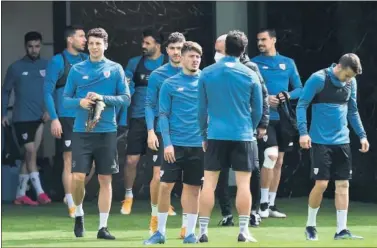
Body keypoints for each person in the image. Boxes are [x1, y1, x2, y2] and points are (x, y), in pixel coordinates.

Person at [63, 27, 131, 240]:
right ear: (87, 45)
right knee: (77, 177)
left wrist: (103, 98)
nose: (94, 47)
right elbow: (65, 100)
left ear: (105, 45)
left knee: (105, 179)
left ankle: (103, 227)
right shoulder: (76, 69)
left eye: (98, 43)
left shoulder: (116, 68)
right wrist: (80, 102)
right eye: (91, 43)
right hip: (82, 131)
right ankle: (79, 213)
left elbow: (126, 98)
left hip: (107, 131)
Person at [197, 30, 263, 243]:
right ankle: (243, 231)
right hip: (243, 135)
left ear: (224, 48)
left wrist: (204, 134)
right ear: (243, 50)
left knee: (209, 184)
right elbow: (258, 110)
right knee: (244, 184)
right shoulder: (250, 74)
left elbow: (201, 109)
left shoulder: (206, 73)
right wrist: (250, 128)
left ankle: (203, 232)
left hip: (216, 135)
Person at [296, 53, 369, 241]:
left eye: (351, 77)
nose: (349, 80)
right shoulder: (318, 79)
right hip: (320, 141)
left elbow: (352, 110)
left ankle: (341, 230)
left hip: (342, 141)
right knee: (321, 184)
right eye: (347, 75)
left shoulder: (350, 83)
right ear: (339, 66)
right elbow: (302, 104)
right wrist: (303, 132)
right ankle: (310, 226)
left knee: (343, 184)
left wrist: (362, 135)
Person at [143, 41, 204, 245]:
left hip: (198, 145)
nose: (195, 60)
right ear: (182, 58)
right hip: (174, 145)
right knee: (165, 186)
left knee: (193, 189)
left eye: (198, 57)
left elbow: (210, 113)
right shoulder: (169, 83)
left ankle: (189, 233)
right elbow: (163, 115)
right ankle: (159, 232)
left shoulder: (205, 81)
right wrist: (167, 143)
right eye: (191, 56)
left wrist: (207, 139)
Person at [214, 34, 269, 227]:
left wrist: (260, 124)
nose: (217, 54)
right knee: (219, 172)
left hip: (245, 130)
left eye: (220, 50)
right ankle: (226, 213)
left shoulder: (251, 68)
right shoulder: (213, 70)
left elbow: (262, 97)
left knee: (252, 171)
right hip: (219, 131)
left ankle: (253, 211)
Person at [121, 29, 175, 216]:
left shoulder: (168, 64)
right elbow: (126, 84)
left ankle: (164, 201)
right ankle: (128, 196)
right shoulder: (135, 63)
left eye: (147, 43)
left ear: (158, 46)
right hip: (138, 117)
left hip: (162, 120)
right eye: (143, 43)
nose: (143, 46)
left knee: (159, 165)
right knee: (131, 160)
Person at [251, 28, 302, 218]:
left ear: (273, 40)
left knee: (279, 161)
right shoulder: (254, 63)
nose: (260, 43)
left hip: (284, 119)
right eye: (258, 40)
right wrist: (266, 99)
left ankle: (271, 205)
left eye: (263, 39)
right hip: (264, 119)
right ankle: (262, 203)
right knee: (270, 157)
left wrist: (286, 95)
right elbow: (250, 90)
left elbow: (299, 88)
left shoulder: (288, 63)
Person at [144, 32, 187, 237]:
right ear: (166, 50)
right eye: (172, 48)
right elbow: (149, 105)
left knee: (190, 181)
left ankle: (187, 224)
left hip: (190, 134)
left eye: (180, 48)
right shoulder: (158, 74)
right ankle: (155, 217)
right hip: (163, 133)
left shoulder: (197, 73)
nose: (176, 52)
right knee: (159, 178)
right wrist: (151, 131)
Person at [44, 25, 89, 217]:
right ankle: (71, 202)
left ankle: (72, 192)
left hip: (87, 118)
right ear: (70, 40)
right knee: (69, 159)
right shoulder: (57, 61)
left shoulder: (87, 60)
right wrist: (54, 119)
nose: (85, 40)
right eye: (81, 36)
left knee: (91, 163)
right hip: (67, 117)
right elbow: (47, 91)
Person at [1, 31, 51, 205]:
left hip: (40, 117)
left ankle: (20, 194)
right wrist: (2, 113)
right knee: (30, 152)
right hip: (21, 118)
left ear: (41, 46)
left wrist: (50, 110)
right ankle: (40, 192)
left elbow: (51, 90)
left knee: (30, 156)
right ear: (25, 47)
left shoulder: (47, 65)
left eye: (37, 46)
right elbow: (5, 91)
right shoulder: (15, 67)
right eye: (30, 46)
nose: (34, 49)